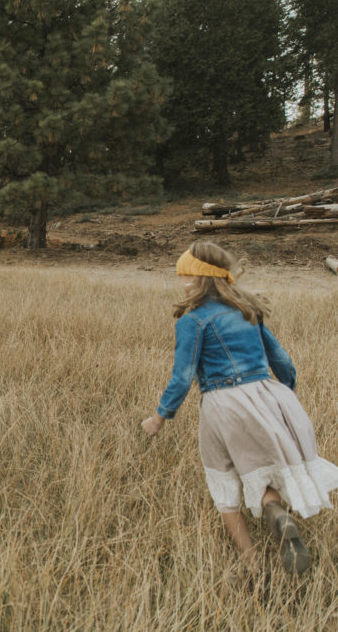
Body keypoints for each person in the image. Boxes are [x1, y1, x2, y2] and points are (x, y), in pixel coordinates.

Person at [141, 241, 338, 575]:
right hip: (267, 394)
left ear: (198, 278)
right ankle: (278, 513)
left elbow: (182, 378)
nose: (180, 281)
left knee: (226, 484)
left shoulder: (192, 321)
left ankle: (254, 567)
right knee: (259, 471)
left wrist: (159, 418)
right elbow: (280, 359)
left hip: (223, 404)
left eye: (184, 275)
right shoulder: (247, 310)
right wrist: (285, 394)